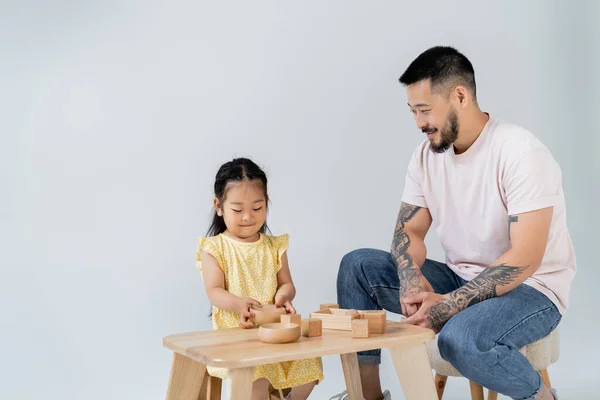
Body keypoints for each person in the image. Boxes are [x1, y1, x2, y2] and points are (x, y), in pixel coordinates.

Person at [332, 46, 575, 400]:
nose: (418, 123)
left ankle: (541, 397)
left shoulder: (521, 153)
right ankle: (366, 396)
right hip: (462, 276)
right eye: (413, 111)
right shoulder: (425, 157)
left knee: (458, 339)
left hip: (532, 289)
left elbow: (525, 257)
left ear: (459, 96)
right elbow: (408, 232)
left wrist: (445, 306)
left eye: (425, 110)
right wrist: (411, 279)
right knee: (357, 266)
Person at [197, 157, 323, 400]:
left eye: (257, 208)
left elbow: (287, 283)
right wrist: (238, 304)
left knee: (311, 366)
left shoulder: (274, 246)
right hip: (236, 335)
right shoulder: (215, 248)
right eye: (237, 209)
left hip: (275, 332)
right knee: (257, 377)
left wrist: (284, 296)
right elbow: (213, 290)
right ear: (219, 206)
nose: (247, 217)